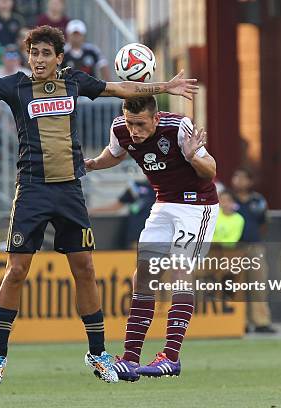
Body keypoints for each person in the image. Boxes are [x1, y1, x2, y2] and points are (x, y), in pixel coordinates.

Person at [0, 24, 198, 387]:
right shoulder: (14, 86)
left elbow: (120, 89)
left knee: (85, 269)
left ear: (58, 58)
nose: (38, 59)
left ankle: (97, 353)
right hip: (31, 190)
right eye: (34, 52)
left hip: (69, 190)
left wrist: (164, 87)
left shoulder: (75, 81)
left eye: (46, 53)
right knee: (16, 271)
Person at [85, 96, 217, 381]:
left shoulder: (179, 127)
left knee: (181, 272)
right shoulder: (120, 128)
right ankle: (131, 359)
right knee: (142, 276)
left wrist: (194, 156)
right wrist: (94, 164)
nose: (134, 130)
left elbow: (211, 170)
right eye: (131, 123)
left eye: (141, 124)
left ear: (156, 119)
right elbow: (116, 153)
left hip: (197, 206)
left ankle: (171, 357)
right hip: (163, 204)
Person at [231, 167, 276, 333]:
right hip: (233, 249)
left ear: (250, 181)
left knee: (258, 285)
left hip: (255, 247)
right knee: (236, 287)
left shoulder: (258, 200)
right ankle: (239, 322)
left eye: (243, 178)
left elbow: (264, 223)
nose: (239, 181)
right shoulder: (227, 199)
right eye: (236, 177)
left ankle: (261, 321)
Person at [90, 178, 155, 249]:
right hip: (137, 230)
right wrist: (92, 210)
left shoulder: (165, 188)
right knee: (138, 256)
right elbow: (116, 206)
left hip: (157, 231)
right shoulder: (136, 186)